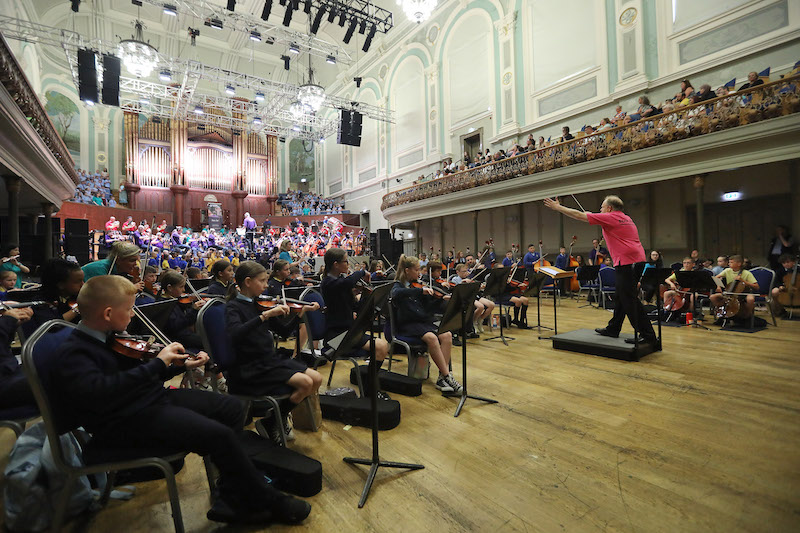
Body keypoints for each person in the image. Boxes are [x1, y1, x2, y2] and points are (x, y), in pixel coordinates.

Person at [48, 275, 311, 525]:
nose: (132, 314)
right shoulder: (75, 351)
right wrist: (158, 363)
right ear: (107, 314)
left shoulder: (109, 337)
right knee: (218, 435)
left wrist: (180, 365)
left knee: (232, 407)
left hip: (147, 401)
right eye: (128, 309)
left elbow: (140, 376)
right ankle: (268, 499)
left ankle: (232, 492)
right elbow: (102, 392)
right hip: (122, 420)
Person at [225, 261, 323, 440]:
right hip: (250, 366)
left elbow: (284, 332)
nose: (266, 285)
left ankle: (275, 418)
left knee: (316, 379)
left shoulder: (259, 304)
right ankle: (273, 421)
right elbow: (235, 334)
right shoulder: (233, 307)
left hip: (269, 360)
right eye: (262, 281)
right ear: (248, 282)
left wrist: (300, 313)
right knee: (305, 383)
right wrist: (265, 316)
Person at [545, 195, 657, 345]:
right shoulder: (625, 218)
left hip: (627, 262)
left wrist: (558, 207)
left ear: (609, 208)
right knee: (621, 296)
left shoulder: (610, 217)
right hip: (636, 260)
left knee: (629, 299)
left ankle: (648, 334)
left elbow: (578, 215)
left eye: (602, 207)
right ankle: (613, 328)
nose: (600, 209)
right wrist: (592, 215)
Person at [391, 255, 462, 393]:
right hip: (408, 324)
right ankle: (447, 376)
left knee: (447, 335)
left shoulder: (417, 285)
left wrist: (440, 299)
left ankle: (442, 377)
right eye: (416, 270)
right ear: (407, 270)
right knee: (432, 338)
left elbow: (428, 308)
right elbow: (396, 294)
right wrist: (420, 291)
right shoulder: (398, 285)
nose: (419, 273)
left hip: (422, 322)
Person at [319, 248, 390, 384]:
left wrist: (366, 295)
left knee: (382, 346)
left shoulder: (340, 281)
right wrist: (362, 272)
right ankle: (370, 386)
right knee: (381, 347)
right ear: (336, 264)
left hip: (349, 332)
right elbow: (347, 283)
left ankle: (369, 383)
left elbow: (356, 307)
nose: (348, 264)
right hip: (336, 336)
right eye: (346, 261)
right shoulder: (328, 283)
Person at [0, 304, 36, 412]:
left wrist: (13, 323)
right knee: (56, 379)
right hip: (4, 381)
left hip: (10, 373)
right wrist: (8, 320)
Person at [710, 255, 759, 320]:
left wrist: (743, 281)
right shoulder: (727, 270)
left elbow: (756, 286)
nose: (729, 264)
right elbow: (716, 278)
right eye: (729, 262)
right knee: (713, 297)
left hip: (744, 293)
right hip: (730, 292)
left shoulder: (747, 273)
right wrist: (718, 286)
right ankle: (723, 312)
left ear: (739, 264)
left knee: (750, 299)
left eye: (731, 262)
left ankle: (748, 316)